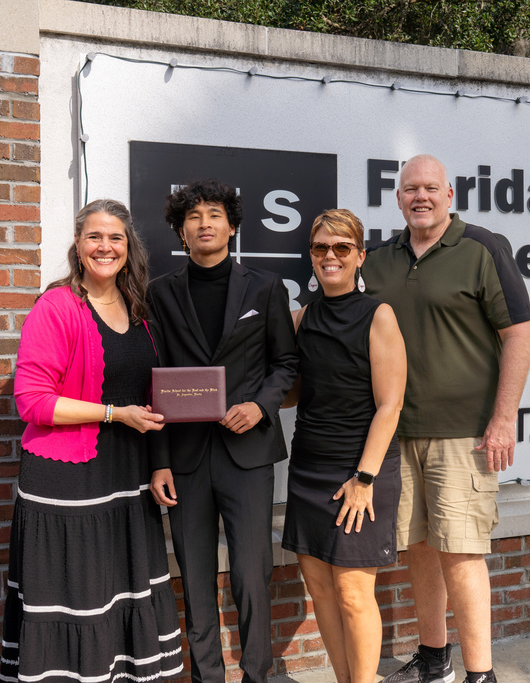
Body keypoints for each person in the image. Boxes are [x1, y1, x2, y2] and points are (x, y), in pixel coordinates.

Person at [362, 155, 530, 683]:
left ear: (450, 194)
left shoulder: (483, 248)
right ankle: (434, 659)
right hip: (396, 432)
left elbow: (520, 333)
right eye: (411, 188)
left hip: (464, 434)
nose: (421, 197)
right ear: (397, 198)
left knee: (461, 552)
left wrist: (504, 418)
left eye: (431, 188)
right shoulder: (379, 259)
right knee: (419, 547)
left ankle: (480, 673)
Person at [2, 199, 184, 682]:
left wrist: (159, 462)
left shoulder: (139, 308)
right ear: (78, 246)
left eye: (116, 238)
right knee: (79, 600)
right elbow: (33, 402)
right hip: (69, 484)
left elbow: (154, 393)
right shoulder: (57, 306)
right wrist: (113, 414)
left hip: (127, 480)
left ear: (130, 247)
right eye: (94, 237)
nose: (105, 246)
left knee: (118, 597)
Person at [147, 179, 298, 683]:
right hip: (186, 459)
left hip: (247, 454)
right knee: (193, 575)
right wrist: (160, 460)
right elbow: (156, 379)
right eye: (193, 216)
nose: (204, 223)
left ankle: (258, 674)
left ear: (232, 226)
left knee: (252, 576)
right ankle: (206, 676)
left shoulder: (264, 287)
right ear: (180, 230)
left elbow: (286, 362)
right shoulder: (160, 293)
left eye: (214, 214)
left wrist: (260, 406)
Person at [282, 209, 407, 683]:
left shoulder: (378, 315)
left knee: (354, 592)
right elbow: (295, 393)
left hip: (360, 473)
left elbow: (390, 406)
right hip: (309, 467)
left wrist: (365, 479)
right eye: (320, 248)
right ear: (311, 255)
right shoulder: (301, 319)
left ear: (359, 256)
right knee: (320, 590)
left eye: (340, 248)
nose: (329, 257)